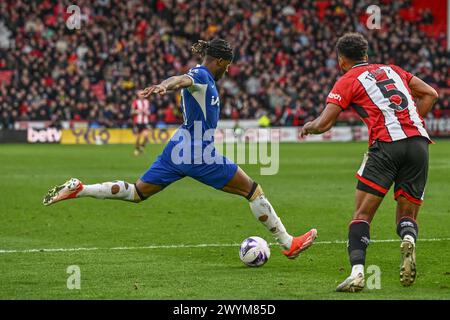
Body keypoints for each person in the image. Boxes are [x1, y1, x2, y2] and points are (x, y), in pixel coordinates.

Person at [43, 38, 317, 259]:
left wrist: (165, 86)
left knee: (138, 192)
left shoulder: (205, 78)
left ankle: (81, 188)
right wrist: (163, 86)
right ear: (220, 61)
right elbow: (181, 79)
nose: (228, 70)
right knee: (252, 190)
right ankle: (288, 242)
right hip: (198, 152)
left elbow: (182, 80)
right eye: (227, 65)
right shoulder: (201, 75)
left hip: (177, 146)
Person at [301, 32, 438, 292]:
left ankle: (357, 274)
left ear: (342, 60)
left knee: (362, 214)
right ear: (366, 54)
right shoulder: (393, 69)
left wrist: (308, 127)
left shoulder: (348, 79)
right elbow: (431, 94)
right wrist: (410, 123)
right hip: (419, 143)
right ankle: (408, 238)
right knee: (406, 214)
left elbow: (324, 123)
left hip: (386, 146)